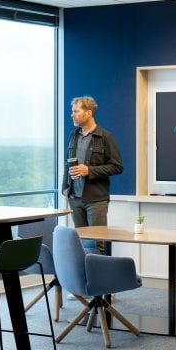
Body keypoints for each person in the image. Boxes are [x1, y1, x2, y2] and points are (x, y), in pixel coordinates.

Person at [62, 96, 123, 251]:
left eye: (76, 111)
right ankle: (83, 276)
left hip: (96, 200)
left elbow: (117, 167)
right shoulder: (73, 135)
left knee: (97, 244)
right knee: (81, 244)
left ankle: (98, 275)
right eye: (72, 111)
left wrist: (89, 170)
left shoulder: (105, 137)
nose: (72, 115)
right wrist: (65, 187)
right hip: (75, 199)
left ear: (88, 113)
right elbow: (66, 163)